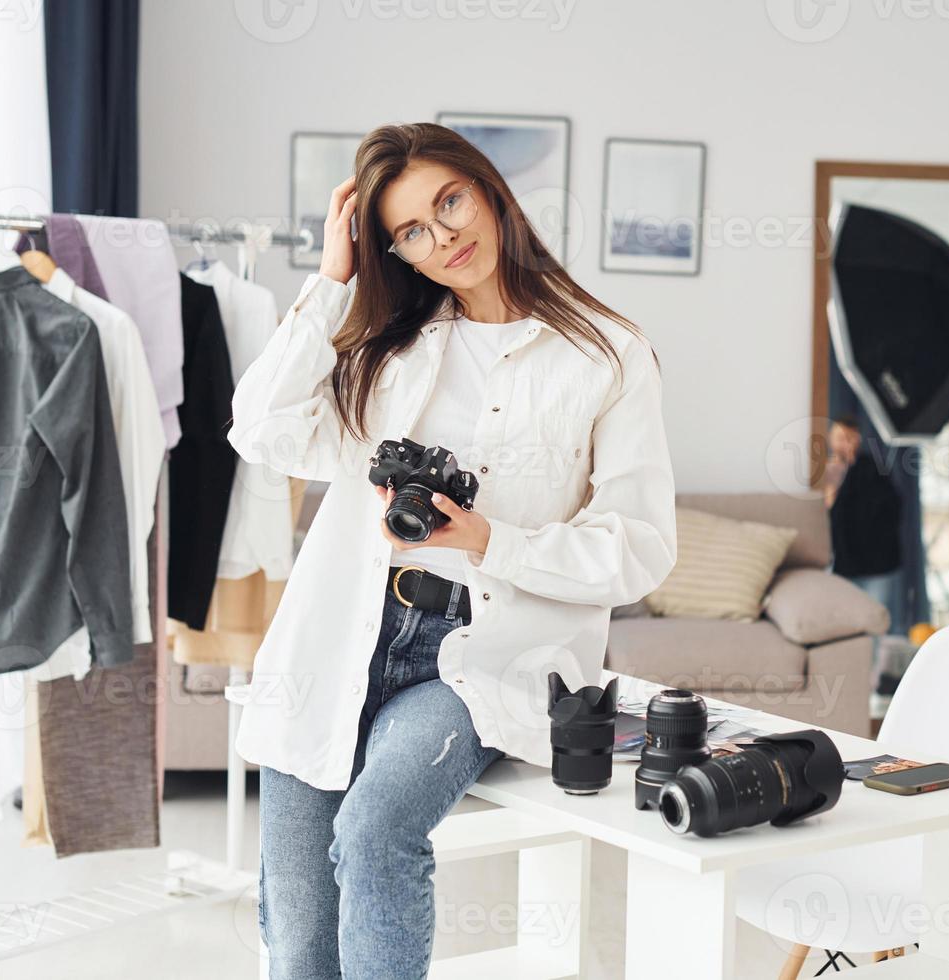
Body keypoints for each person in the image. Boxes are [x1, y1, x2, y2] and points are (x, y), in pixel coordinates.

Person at [227, 123, 678, 979]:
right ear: (395, 252)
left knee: (375, 831)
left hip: (471, 658)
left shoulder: (609, 356)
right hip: (335, 642)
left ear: (489, 189)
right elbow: (260, 427)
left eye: (450, 202)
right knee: (297, 941)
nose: (444, 238)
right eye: (410, 232)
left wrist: (489, 540)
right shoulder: (388, 351)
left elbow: (640, 549)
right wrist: (330, 282)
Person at [825, 416, 904, 629]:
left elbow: (890, 510)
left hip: (878, 565)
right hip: (842, 565)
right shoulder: (825, 473)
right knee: (843, 624)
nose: (846, 443)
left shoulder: (874, 469)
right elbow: (826, 513)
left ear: (858, 440)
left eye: (850, 438)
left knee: (874, 624)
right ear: (831, 439)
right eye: (841, 438)